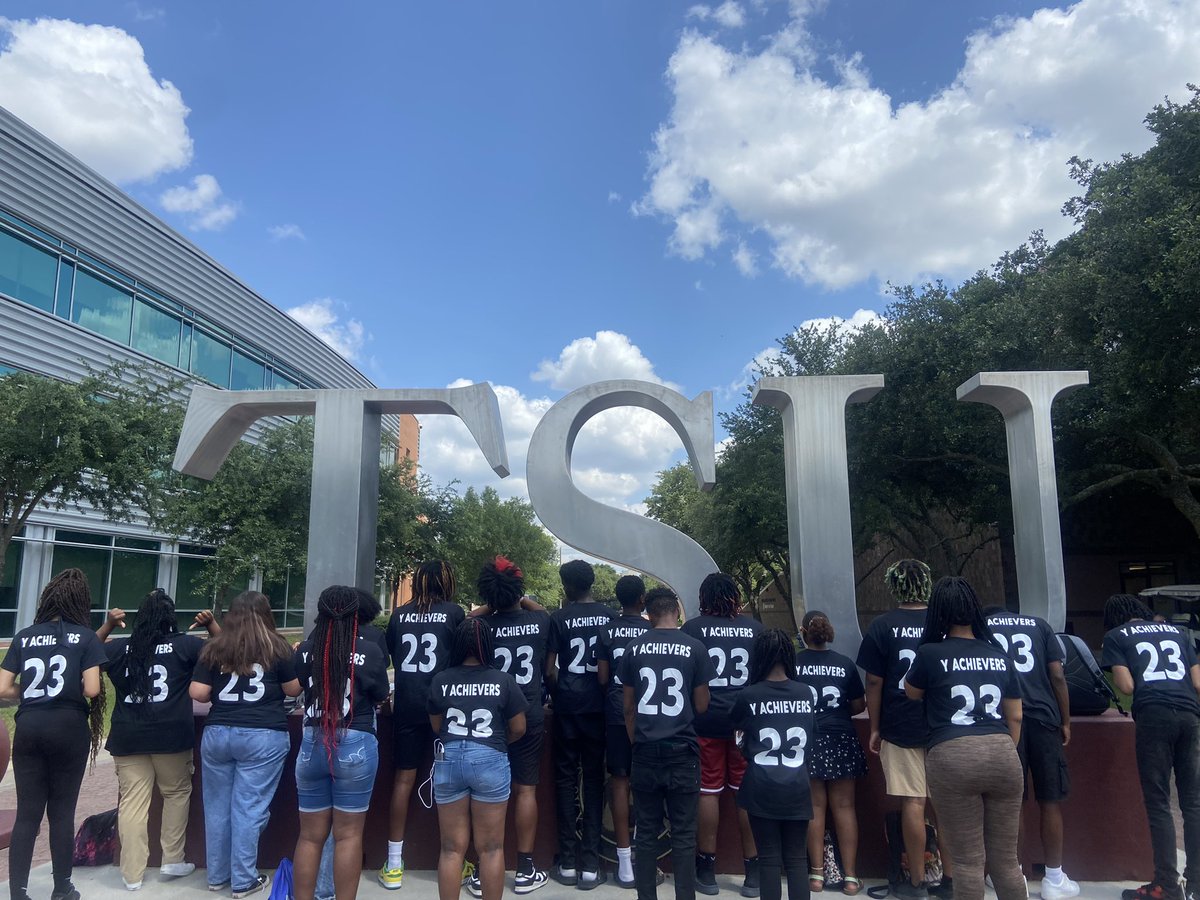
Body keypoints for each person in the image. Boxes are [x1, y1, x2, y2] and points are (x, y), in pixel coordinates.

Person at [903, 576, 1025, 900]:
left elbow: (911, 691)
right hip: (1002, 752)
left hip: (952, 753)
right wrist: (999, 749)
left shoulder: (930, 653)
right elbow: (1015, 715)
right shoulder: (999, 654)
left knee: (968, 862)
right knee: (1007, 862)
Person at [98, 589, 219, 890]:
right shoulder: (187, 646)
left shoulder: (118, 649)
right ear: (171, 617)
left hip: (127, 734)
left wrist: (108, 625)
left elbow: (85, 653)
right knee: (176, 793)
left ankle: (132, 874)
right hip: (171, 734)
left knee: (133, 803)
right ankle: (172, 859)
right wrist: (212, 625)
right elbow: (225, 651)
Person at [0, 569, 107, 900]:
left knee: (27, 813)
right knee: (61, 812)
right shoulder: (85, 637)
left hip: (30, 727)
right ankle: (62, 887)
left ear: (47, 598)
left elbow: (2, 687)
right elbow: (91, 689)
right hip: (68, 727)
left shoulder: (25, 636)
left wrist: (33, 693)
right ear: (80, 602)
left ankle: (18, 891)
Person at [190, 591, 303, 898]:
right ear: (267, 614)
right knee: (249, 809)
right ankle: (243, 880)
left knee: (217, 808)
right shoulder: (277, 646)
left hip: (217, 734)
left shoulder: (216, 646)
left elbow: (198, 692)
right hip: (263, 735)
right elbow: (293, 688)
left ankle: (217, 876)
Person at [291, 585, 390, 900]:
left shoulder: (305, 649)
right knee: (348, 837)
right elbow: (380, 695)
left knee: (309, 838)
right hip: (355, 742)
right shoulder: (371, 651)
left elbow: (295, 688)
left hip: (311, 741)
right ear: (356, 615)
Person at [855, 559, 945, 900]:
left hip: (899, 724)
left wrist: (875, 727)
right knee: (945, 805)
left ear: (895, 586)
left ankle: (916, 882)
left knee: (913, 802)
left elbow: (874, 681)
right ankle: (949, 878)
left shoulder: (883, 625)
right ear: (926, 584)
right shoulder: (942, 624)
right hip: (941, 724)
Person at [1101, 593, 1200, 900]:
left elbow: (1127, 686)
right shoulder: (1180, 633)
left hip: (1154, 717)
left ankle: (1167, 885)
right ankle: (1197, 882)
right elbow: (1197, 682)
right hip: (1188, 715)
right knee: (1193, 802)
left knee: (1158, 803)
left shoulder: (1116, 636)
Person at [619, 586, 715, 900]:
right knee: (685, 836)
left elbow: (628, 707)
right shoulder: (695, 648)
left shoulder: (634, 648)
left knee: (645, 834)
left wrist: (638, 742)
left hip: (645, 750)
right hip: (682, 752)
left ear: (649, 613)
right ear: (676, 611)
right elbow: (702, 705)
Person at [428, 616, 529, 900]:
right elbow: (520, 727)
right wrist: (496, 744)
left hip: (449, 759)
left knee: (450, 849)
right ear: (488, 645)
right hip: (491, 759)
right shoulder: (503, 680)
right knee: (492, 849)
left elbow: (437, 726)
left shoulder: (441, 679)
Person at [379, 561, 466, 890]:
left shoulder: (399, 615)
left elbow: (391, 656)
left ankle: (394, 862)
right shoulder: (454, 613)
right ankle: (455, 857)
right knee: (450, 784)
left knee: (403, 780)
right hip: (444, 707)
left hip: (407, 704)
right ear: (446, 581)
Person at [985, 604, 1078, 899]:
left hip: (1004, 720)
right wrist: (1065, 720)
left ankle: (1015, 874)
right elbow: (1058, 675)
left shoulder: (983, 627)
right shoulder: (1039, 625)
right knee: (1050, 800)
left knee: (1014, 802)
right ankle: (1053, 877)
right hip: (1044, 718)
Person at [681, 573, 763, 897]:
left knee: (708, 791)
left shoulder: (692, 629)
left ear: (704, 597)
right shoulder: (756, 628)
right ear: (734, 595)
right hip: (746, 721)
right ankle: (753, 871)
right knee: (746, 793)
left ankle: (707, 870)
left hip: (705, 720)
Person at [732, 628, 820, 900]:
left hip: (761, 786)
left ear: (758, 656)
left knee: (768, 859)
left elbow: (738, 732)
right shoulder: (805, 693)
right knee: (796, 861)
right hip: (797, 785)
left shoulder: (749, 695)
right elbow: (812, 736)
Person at [547, 559, 615, 889]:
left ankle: (568, 863)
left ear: (570, 587)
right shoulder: (610, 616)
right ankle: (590, 864)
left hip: (568, 707)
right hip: (598, 707)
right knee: (593, 781)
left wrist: (559, 693)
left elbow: (550, 670)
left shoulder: (559, 618)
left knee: (564, 780)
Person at [796, 611, 866, 896]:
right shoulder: (844, 664)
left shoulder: (795, 663)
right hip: (842, 738)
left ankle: (816, 875)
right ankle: (850, 877)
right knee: (845, 808)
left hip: (809, 739)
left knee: (814, 808)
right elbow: (859, 704)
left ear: (803, 631)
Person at [596, 574, 653, 888]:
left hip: (618, 712)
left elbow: (603, 678)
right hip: (649, 714)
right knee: (645, 783)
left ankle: (624, 862)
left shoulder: (607, 630)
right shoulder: (651, 628)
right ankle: (644, 858)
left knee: (619, 783)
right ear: (642, 599)